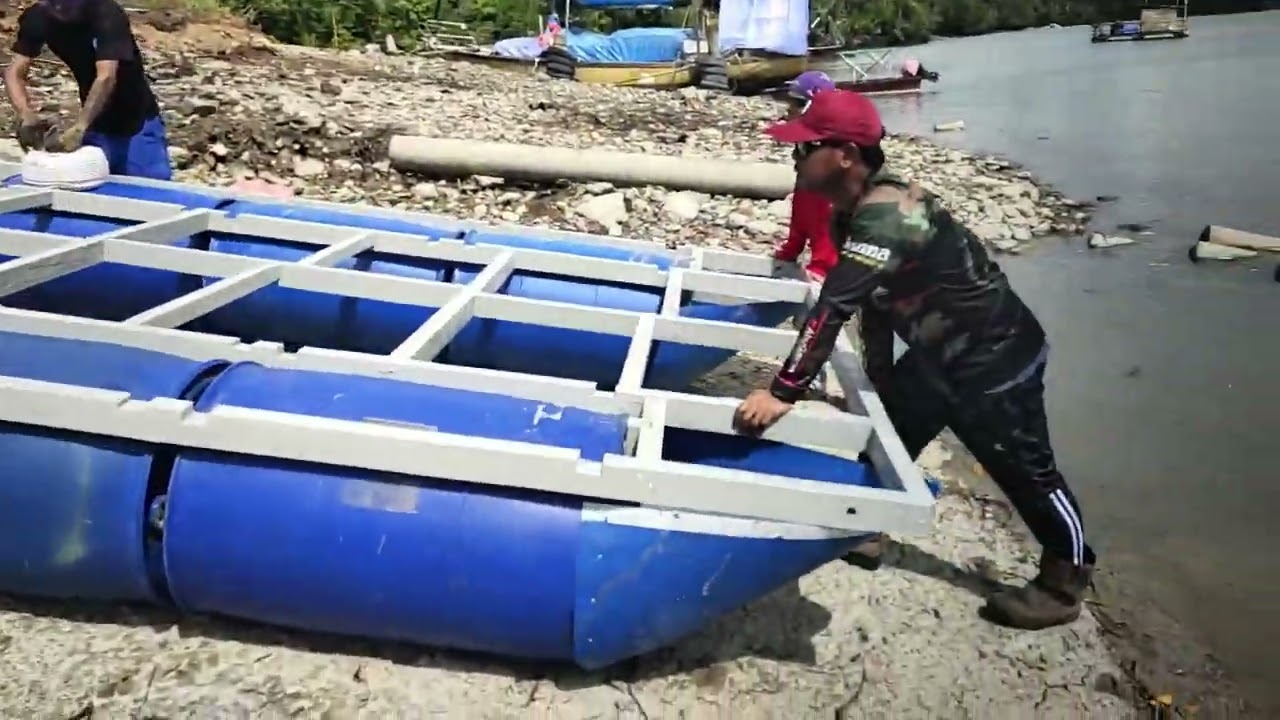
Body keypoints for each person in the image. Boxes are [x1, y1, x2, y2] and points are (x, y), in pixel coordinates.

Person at [733, 88, 1095, 631]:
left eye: (804, 147)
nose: (795, 156)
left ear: (844, 155)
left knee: (1024, 468)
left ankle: (1067, 580)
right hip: (935, 357)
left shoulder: (887, 215)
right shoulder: (847, 215)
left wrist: (783, 391)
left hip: (994, 357)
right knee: (887, 435)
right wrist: (879, 378)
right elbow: (873, 304)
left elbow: (834, 307)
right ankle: (869, 526)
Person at [5, 0, 173, 180]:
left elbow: (106, 76)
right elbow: (14, 72)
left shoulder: (106, 13)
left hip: (137, 120)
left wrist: (80, 126)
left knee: (150, 190)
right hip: (97, 123)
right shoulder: (39, 17)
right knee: (94, 187)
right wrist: (25, 114)